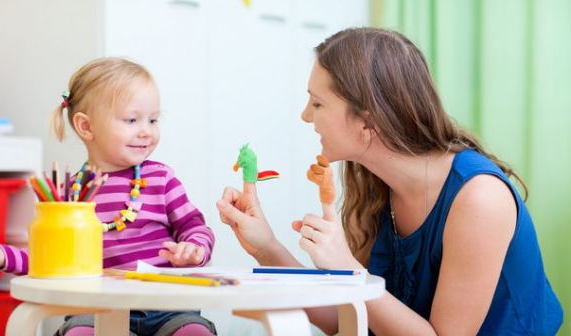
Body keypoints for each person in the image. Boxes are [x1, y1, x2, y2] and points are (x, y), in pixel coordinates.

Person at [216, 27, 563, 335]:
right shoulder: (374, 184)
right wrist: (266, 245)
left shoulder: (480, 200)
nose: (305, 116)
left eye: (317, 103)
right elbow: (344, 317)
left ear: (368, 120)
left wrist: (350, 271)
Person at [0, 57, 217, 336]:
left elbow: (195, 227)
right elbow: (49, 260)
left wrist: (194, 250)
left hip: (169, 307)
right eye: (132, 120)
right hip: (96, 311)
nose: (146, 130)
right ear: (86, 127)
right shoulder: (68, 197)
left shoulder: (161, 179)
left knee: (195, 333)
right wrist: (2, 256)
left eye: (153, 119)